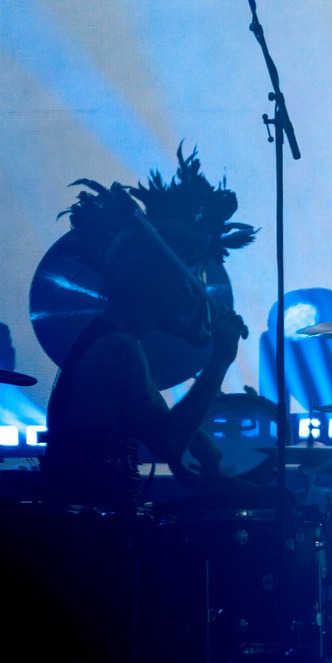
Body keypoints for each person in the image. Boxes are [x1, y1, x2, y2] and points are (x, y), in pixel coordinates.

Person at [43, 149, 254, 509]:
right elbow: (169, 443)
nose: (198, 295)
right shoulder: (119, 350)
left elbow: (176, 445)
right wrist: (220, 360)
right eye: (193, 282)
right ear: (160, 284)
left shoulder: (112, 339)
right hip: (92, 535)